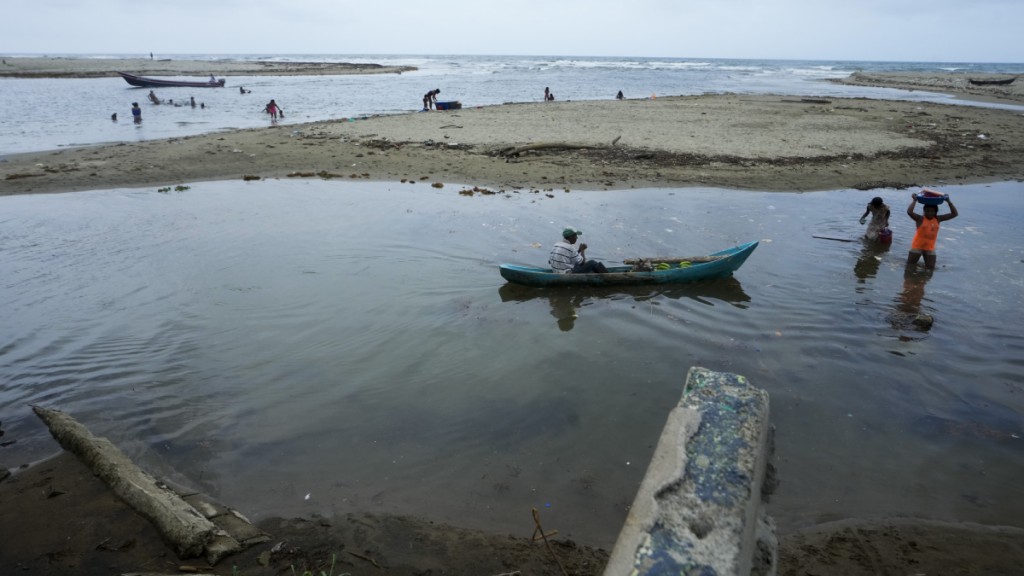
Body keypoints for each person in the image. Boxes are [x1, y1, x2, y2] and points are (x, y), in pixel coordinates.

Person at [906, 192, 958, 270]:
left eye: (932, 211)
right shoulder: (920, 219)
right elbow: (909, 212)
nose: (929, 213)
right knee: (910, 266)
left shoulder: (938, 219)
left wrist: (949, 201)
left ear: (935, 212)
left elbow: (954, 214)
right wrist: (914, 201)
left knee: (930, 269)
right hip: (917, 246)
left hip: (930, 247)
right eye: (927, 211)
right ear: (924, 211)